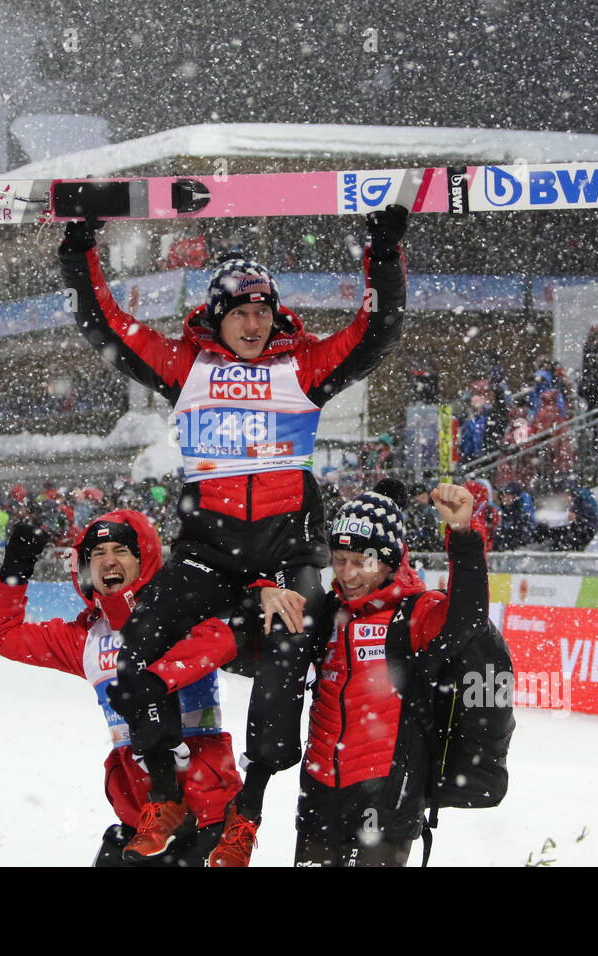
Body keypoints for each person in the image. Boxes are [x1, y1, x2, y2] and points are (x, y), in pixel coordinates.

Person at [58, 204, 410, 866]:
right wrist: (81, 252)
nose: (255, 323)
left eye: (263, 310)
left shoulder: (302, 367)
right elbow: (103, 323)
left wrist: (383, 257)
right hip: (208, 555)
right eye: (241, 311)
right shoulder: (184, 366)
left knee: (286, 658)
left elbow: (376, 330)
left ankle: (246, 812)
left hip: (285, 555)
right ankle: (163, 792)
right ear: (217, 316)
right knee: (133, 649)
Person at [0, 511, 243, 866]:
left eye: (121, 550)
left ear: (143, 558)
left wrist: (155, 679)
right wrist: (16, 568)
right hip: (138, 818)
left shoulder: (180, 608)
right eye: (98, 553)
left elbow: (220, 642)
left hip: (203, 816)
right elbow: (3, 637)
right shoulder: (86, 636)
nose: (108, 561)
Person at [296, 483, 503, 866]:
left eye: (362, 561)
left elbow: (468, 619)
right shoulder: (328, 611)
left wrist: (463, 536)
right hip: (320, 794)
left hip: (386, 797)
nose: (348, 573)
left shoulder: (417, 612)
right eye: (339, 559)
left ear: (390, 560)